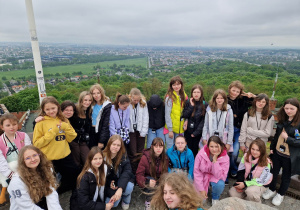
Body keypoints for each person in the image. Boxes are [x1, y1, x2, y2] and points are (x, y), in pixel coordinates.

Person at [33, 96, 78, 193]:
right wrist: (52, 132)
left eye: (53, 108)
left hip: (65, 155)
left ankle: (67, 191)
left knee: (73, 175)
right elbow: (37, 143)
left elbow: (71, 137)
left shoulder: (64, 120)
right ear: (43, 110)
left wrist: (65, 127)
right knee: (49, 181)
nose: (51, 111)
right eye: (47, 109)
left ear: (57, 107)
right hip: (49, 158)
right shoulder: (41, 123)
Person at [263, 98, 300, 206]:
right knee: (273, 172)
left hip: (290, 156)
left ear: (297, 109)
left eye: (292, 108)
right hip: (278, 153)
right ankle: (272, 189)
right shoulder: (283, 119)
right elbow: (276, 136)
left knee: (286, 176)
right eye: (286, 108)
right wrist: (272, 148)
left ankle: (280, 194)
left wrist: (288, 139)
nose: (288, 111)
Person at [8, 145, 62, 209]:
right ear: (23, 161)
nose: (33, 159)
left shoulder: (47, 169)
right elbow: (26, 206)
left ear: (39, 155)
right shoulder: (17, 181)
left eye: (34, 155)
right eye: (28, 158)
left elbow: (51, 194)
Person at [0, 114, 31, 205]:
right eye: (8, 125)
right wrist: (11, 174)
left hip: (23, 164)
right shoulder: (0, 141)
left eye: (14, 124)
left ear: (18, 124)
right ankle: (9, 193)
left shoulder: (23, 135)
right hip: (7, 167)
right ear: (2, 127)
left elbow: (28, 151)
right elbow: (1, 161)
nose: (12, 127)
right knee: (6, 173)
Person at [229, 138, 272, 203]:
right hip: (247, 180)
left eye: (258, 150)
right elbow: (241, 170)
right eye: (253, 149)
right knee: (232, 193)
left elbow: (262, 180)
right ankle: (247, 200)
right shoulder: (246, 156)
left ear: (262, 151)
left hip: (260, 184)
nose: (254, 152)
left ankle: (256, 205)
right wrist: (240, 182)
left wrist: (245, 184)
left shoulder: (267, 163)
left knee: (250, 192)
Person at [227, 81, 256, 178]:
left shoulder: (243, 99)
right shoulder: (225, 99)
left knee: (235, 152)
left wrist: (253, 96)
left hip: (238, 129)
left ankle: (233, 169)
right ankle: (226, 170)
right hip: (227, 130)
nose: (234, 93)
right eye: (233, 90)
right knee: (226, 151)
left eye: (237, 91)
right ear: (229, 89)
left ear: (240, 92)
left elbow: (261, 100)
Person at [194, 136, 229, 206]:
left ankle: (215, 198)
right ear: (208, 146)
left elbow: (220, 176)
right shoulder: (200, 154)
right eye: (211, 146)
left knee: (220, 184)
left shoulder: (225, 157)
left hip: (215, 177)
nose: (214, 149)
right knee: (200, 202)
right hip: (203, 177)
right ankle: (203, 191)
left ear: (220, 146)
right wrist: (201, 189)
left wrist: (215, 161)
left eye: (216, 146)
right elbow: (197, 172)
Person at [136, 137, 169, 210]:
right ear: (152, 147)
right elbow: (139, 175)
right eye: (156, 146)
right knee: (151, 180)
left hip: (159, 181)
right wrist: (147, 181)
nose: (158, 149)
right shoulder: (145, 158)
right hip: (148, 182)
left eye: (160, 146)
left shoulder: (165, 158)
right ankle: (148, 201)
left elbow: (165, 173)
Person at [103, 135, 135, 210]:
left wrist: (120, 188)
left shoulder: (124, 156)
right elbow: (101, 176)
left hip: (121, 181)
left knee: (129, 187)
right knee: (114, 204)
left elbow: (127, 172)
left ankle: (126, 199)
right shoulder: (102, 156)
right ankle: (119, 196)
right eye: (114, 144)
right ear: (109, 144)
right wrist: (109, 183)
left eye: (118, 145)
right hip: (110, 184)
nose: (116, 147)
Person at [182, 84, 207, 157]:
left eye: (198, 92)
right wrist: (191, 106)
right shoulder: (188, 102)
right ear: (192, 93)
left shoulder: (205, 104)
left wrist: (196, 133)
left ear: (201, 93)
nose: (196, 94)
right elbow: (185, 115)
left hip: (198, 133)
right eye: (194, 92)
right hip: (188, 131)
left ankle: (195, 166)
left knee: (195, 150)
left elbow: (204, 121)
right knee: (187, 150)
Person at [128, 88, 149, 173]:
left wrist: (143, 132)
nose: (136, 101)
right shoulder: (128, 103)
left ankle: (139, 171)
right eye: (134, 100)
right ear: (131, 97)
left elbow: (145, 117)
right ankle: (133, 171)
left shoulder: (143, 103)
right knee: (133, 151)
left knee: (140, 152)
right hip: (131, 130)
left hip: (140, 130)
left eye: (137, 100)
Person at [164, 76, 188, 150]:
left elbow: (186, 111)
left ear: (181, 85)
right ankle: (168, 162)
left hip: (180, 128)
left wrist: (186, 121)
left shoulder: (184, 96)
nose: (176, 86)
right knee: (170, 148)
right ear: (171, 86)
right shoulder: (169, 98)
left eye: (178, 84)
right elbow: (167, 114)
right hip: (170, 129)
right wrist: (170, 130)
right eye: (174, 85)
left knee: (180, 148)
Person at [70, 92, 92, 167]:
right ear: (81, 100)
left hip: (83, 140)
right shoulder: (74, 109)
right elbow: (62, 114)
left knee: (87, 159)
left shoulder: (89, 111)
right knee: (76, 160)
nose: (87, 102)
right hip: (73, 140)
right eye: (85, 100)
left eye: (89, 100)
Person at [90, 84, 112, 149]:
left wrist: (101, 141)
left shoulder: (107, 106)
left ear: (101, 93)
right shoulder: (91, 105)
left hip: (101, 132)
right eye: (94, 93)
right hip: (92, 132)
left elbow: (105, 125)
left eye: (98, 93)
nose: (96, 95)